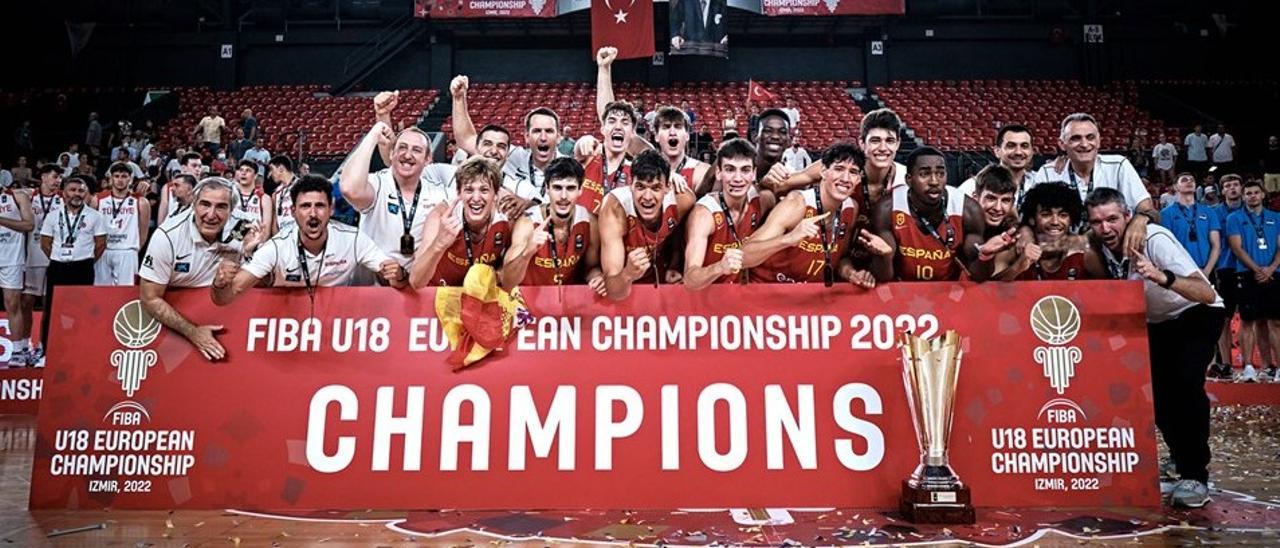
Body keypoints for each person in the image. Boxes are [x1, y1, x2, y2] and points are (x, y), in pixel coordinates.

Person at [1085, 187, 1222, 508]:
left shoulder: (1154, 239)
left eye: (1113, 219)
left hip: (1195, 313)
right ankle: (1179, 457)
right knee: (1156, 396)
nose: (1106, 228)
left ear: (1128, 217)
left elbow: (1204, 292)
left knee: (1186, 384)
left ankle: (1195, 475)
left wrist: (1162, 277)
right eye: (1096, 222)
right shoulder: (1097, 246)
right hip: (1155, 322)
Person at [213, 175, 404, 306]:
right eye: (305, 206)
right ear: (294, 212)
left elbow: (395, 280)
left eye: (320, 206)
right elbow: (225, 298)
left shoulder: (353, 239)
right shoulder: (277, 246)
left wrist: (398, 274)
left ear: (331, 209)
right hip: (286, 319)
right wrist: (219, 285)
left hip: (340, 317)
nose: (313, 214)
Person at [139, 177, 263, 361]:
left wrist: (250, 255)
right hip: (176, 321)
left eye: (221, 207)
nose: (211, 215)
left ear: (231, 210)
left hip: (225, 315)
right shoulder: (168, 236)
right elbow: (149, 298)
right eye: (205, 204)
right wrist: (194, 333)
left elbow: (265, 283)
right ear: (193, 204)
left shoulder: (242, 227)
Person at [742, 143, 882, 286]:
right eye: (839, 169)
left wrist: (851, 273)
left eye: (853, 172)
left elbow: (839, 259)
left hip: (809, 296)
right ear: (823, 172)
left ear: (858, 179)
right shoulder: (797, 204)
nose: (846, 178)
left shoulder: (850, 209)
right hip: (768, 289)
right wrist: (789, 238)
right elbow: (743, 257)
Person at [870, 147, 1011, 282]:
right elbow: (883, 277)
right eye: (925, 174)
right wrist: (885, 257)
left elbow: (978, 275)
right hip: (901, 288)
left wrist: (986, 255)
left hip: (949, 290)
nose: (934, 181)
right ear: (909, 179)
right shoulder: (887, 208)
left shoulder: (968, 209)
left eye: (940, 173)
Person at [1026, 113, 1158, 250]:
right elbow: (1031, 216)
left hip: (1112, 246)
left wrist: (1140, 219)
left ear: (1099, 141)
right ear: (1062, 144)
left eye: (1090, 137)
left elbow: (1149, 209)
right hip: (1067, 250)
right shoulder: (1049, 172)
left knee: (1153, 233)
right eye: (1075, 138)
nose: (1084, 144)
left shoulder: (1119, 165)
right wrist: (1026, 232)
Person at [342, 121, 455, 271]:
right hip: (372, 282)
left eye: (416, 150)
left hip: (416, 285)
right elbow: (350, 189)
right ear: (391, 153)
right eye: (402, 147)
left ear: (428, 160)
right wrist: (373, 135)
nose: (407, 155)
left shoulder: (440, 194)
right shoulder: (377, 184)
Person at [449, 77, 565, 217]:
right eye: (536, 131)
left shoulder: (569, 166)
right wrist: (459, 98)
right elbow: (466, 139)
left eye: (549, 131)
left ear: (559, 137)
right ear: (526, 137)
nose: (543, 137)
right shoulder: (511, 154)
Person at [598, 150, 696, 299]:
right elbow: (613, 291)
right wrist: (627, 274)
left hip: (659, 283)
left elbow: (679, 231)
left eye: (656, 188)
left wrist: (674, 263)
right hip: (622, 287)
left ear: (668, 187)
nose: (648, 197)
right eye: (641, 187)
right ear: (630, 185)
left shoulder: (684, 200)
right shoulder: (614, 209)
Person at [683, 139, 776, 290]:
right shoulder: (704, 214)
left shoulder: (764, 201)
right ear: (719, 173)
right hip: (707, 299)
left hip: (743, 296)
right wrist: (720, 267)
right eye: (730, 169)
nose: (738, 179)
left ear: (754, 174)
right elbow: (690, 280)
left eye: (745, 170)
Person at [501, 157, 604, 293]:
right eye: (557, 188)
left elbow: (590, 267)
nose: (563, 196)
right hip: (528, 303)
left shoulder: (589, 222)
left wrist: (597, 278)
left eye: (570, 188)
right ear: (547, 189)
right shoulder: (527, 223)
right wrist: (527, 252)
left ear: (580, 190)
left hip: (567, 303)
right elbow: (507, 282)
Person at [409, 157, 511, 288]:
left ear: (496, 194)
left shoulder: (506, 218)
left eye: (484, 190)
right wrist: (438, 245)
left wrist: (498, 274)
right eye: (469, 190)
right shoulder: (441, 216)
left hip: (479, 296)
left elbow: (512, 266)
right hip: (438, 292)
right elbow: (415, 282)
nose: (476, 198)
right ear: (458, 192)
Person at [39, 175, 107, 356]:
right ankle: (47, 352)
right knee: (52, 309)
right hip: (58, 267)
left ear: (86, 194)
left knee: (82, 311)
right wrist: (60, 257)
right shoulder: (52, 216)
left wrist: (85, 260)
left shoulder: (95, 216)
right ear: (63, 194)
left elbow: (100, 244)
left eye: (81, 191)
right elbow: (45, 243)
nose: (77, 194)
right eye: (72, 190)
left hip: (82, 268)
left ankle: (80, 351)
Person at [1226, 180, 1280, 382]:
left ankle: (1277, 368)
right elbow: (1236, 247)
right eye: (1248, 193)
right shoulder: (1234, 218)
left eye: (1256, 192)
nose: (1252, 196)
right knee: (1248, 321)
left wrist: (1271, 268)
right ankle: (1248, 367)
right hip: (1247, 273)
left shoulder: (1276, 217)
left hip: (1275, 272)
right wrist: (1258, 270)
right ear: (1243, 196)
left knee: (1275, 321)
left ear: (1263, 195)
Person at [996, 183, 1105, 281]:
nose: (1055, 222)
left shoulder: (1085, 253)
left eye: (1063, 215)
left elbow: (1109, 292)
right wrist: (1018, 266)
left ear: (1071, 219)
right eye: (1046, 214)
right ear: (1032, 218)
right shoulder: (1014, 247)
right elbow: (987, 291)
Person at [15, 165, 65, 365]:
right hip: (33, 256)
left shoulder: (63, 198)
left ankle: (45, 345)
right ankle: (25, 344)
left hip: (55, 257)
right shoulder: (28, 196)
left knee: (49, 304)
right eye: (54, 176)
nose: (58, 180)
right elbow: (14, 194)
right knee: (27, 301)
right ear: (43, 177)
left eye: (60, 177)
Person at [90, 163, 150, 286]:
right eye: (116, 176)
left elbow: (143, 232)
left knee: (126, 291)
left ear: (130, 179)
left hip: (127, 251)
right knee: (101, 290)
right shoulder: (98, 199)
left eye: (124, 176)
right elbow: (91, 227)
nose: (120, 180)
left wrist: (134, 249)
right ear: (111, 178)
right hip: (103, 250)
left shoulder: (140, 201)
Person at [0, 176, 35, 366]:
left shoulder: (17, 196)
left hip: (11, 258)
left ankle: (18, 350)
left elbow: (29, 225)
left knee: (12, 304)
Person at [1160, 173, 1221, 280]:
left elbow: (1216, 245)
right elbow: (1167, 247)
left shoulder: (1209, 211)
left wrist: (1206, 271)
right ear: (1175, 187)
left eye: (1192, 180)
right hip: (1180, 272)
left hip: (1207, 270)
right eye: (1184, 180)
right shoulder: (1166, 214)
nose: (1189, 181)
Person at [958, 124, 1035, 205]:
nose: (1018, 152)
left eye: (1024, 146)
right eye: (1011, 146)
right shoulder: (972, 186)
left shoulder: (1039, 183)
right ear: (997, 151)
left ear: (1032, 152)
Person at [231, 160, 275, 236]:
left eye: (248, 170)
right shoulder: (230, 195)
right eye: (241, 170)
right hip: (230, 242)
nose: (243, 173)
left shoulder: (264, 198)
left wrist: (259, 244)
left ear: (255, 176)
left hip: (255, 242)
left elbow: (266, 231)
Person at [158, 152, 203, 223]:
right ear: (183, 168)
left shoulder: (204, 188)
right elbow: (162, 213)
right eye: (194, 166)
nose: (198, 169)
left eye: (200, 166)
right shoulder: (168, 187)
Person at [268, 155, 299, 235]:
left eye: (272, 169)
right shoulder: (276, 193)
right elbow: (275, 222)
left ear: (281, 169)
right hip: (283, 237)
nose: (269, 174)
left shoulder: (302, 186)